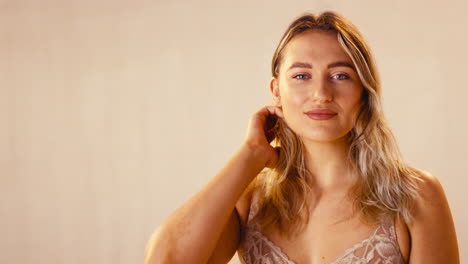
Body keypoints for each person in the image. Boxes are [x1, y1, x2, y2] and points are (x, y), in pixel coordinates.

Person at [144, 11, 459, 264]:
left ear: (363, 91)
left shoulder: (416, 195)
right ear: (276, 92)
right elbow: (164, 260)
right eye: (301, 76)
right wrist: (249, 156)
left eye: (340, 75)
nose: (321, 94)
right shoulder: (251, 201)